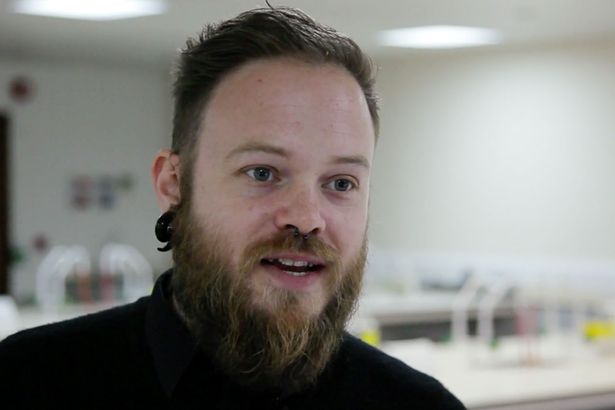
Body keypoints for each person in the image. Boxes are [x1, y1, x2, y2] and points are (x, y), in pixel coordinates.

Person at [0, 6, 465, 409]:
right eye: (262, 173)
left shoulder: (417, 405)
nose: (306, 217)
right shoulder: (26, 383)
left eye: (341, 183)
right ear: (173, 184)